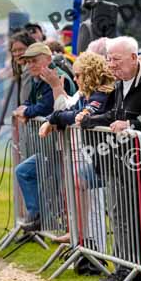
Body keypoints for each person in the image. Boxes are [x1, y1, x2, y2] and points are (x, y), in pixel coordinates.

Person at [82, 36, 141, 281]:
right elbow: (116, 115)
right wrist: (91, 118)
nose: (111, 65)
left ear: (134, 58)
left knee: (138, 219)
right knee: (121, 215)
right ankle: (124, 267)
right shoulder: (120, 83)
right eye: (108, 59)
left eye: (116, 60)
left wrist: (132, 125)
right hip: (120, 162)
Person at [39, 52, 115, 247]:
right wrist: (53, 117)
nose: (74, 78)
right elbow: (68, 111)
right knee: (76, 186)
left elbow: (80, 116)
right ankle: (80, 236)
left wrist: (54, 119)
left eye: (78, 75)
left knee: (100, 207)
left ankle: (89, 242)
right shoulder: (84, 93)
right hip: (89, 155)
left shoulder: (102, 92)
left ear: (90, 74)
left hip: (104, 156)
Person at [12, 42, 76, 224]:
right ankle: (38, 217)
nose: (30, 65)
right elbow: (30, 103)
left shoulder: (55, 77)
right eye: (28, 62)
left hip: (64, 146)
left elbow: (46, 108)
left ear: (48, 59)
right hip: (50, 145)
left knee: (64, 189)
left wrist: (26, 112)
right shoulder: (37, 79)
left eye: (35, 60)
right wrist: (27, 110)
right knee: (23, 171)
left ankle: (66, 229)